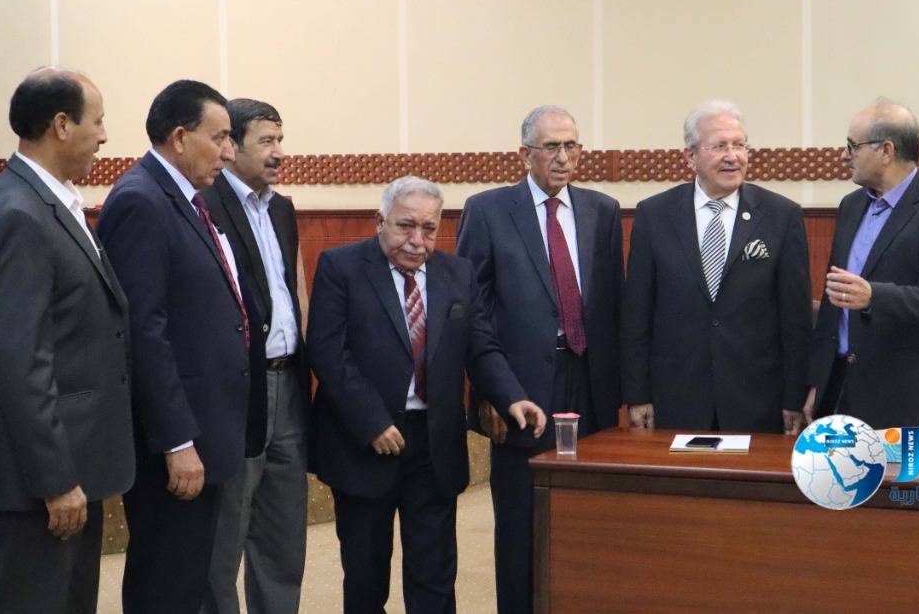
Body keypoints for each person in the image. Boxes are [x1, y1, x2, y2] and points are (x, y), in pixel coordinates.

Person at [308, 175, 547, 614]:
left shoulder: (457, 273)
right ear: (380, 221)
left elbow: (481, 346)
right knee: (365, 578)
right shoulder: (341, 267)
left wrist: (511, 396)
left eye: (429, 228)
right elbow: (328, 354)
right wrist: (372, 422)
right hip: (365, 444)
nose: (417, 240)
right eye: (405, 226)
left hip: (434, 445)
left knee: (434, 578)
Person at [0, 67, 133, 613]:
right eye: (97, 122)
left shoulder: (49, 200)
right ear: (61, 125)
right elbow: (19, 360)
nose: (104, 136)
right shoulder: (17, 213)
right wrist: (55, 480)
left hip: (72, 465)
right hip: (38, 480)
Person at [455, 104, 624, 614]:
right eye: (552, 147)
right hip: (521, 390)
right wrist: (492, 391)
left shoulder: (603, 210)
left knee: (589, 516)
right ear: (524, 153)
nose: (564, 157)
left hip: (589, 383)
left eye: (572, 146)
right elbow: (471, 311)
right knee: (521, 522)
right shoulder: (488, 210)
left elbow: (614, 303)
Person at [96, 79, 251, 613]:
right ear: (181, 138)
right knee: (165, 586)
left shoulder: (185, 198)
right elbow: (143, 332)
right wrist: (177, 441)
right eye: (220, 137)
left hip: (204, 431)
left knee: (189, 583)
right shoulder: (141, 200)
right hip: (175, 444)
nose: (229, 152)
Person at [621, 99, 812, 434]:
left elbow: (795, 318)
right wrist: (637, 395)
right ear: (690, 156)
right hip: (676, 396)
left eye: (739, 145)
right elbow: (637, 314)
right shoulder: (654, 215)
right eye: (720, 146)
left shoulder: (781, 216)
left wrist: (793, 398)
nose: (732, 156)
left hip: (758, 398)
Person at [200, 98, 311, 614]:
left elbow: (291, 291)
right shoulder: (206, 204)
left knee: (283, 534)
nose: (278, 152)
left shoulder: (281, 208)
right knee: (225, 536)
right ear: (231, 145)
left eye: (280, 140)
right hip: (239, 391)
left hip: (288, 386)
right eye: (266, 141)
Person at [807, 98, 919, 427]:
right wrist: (817, 381)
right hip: (842, 389)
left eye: (852, 146)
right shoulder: (850, 206)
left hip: (907, 394)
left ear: (886, 151)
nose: (844, 156)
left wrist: (873, 296)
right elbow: (833, 299)